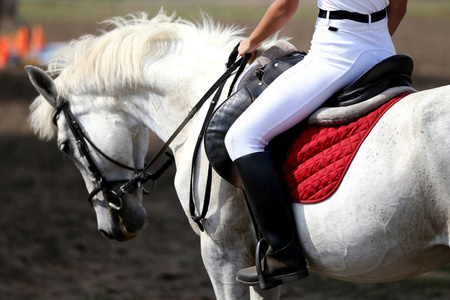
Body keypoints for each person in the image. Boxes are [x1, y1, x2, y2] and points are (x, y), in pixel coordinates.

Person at [224, 0, 408, 290]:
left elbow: (285, 7)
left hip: (335, 54)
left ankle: (283, 253)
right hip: (383, 51)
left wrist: (252, 40)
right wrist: (374, 43)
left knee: (242, 137)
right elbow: (398, 7)